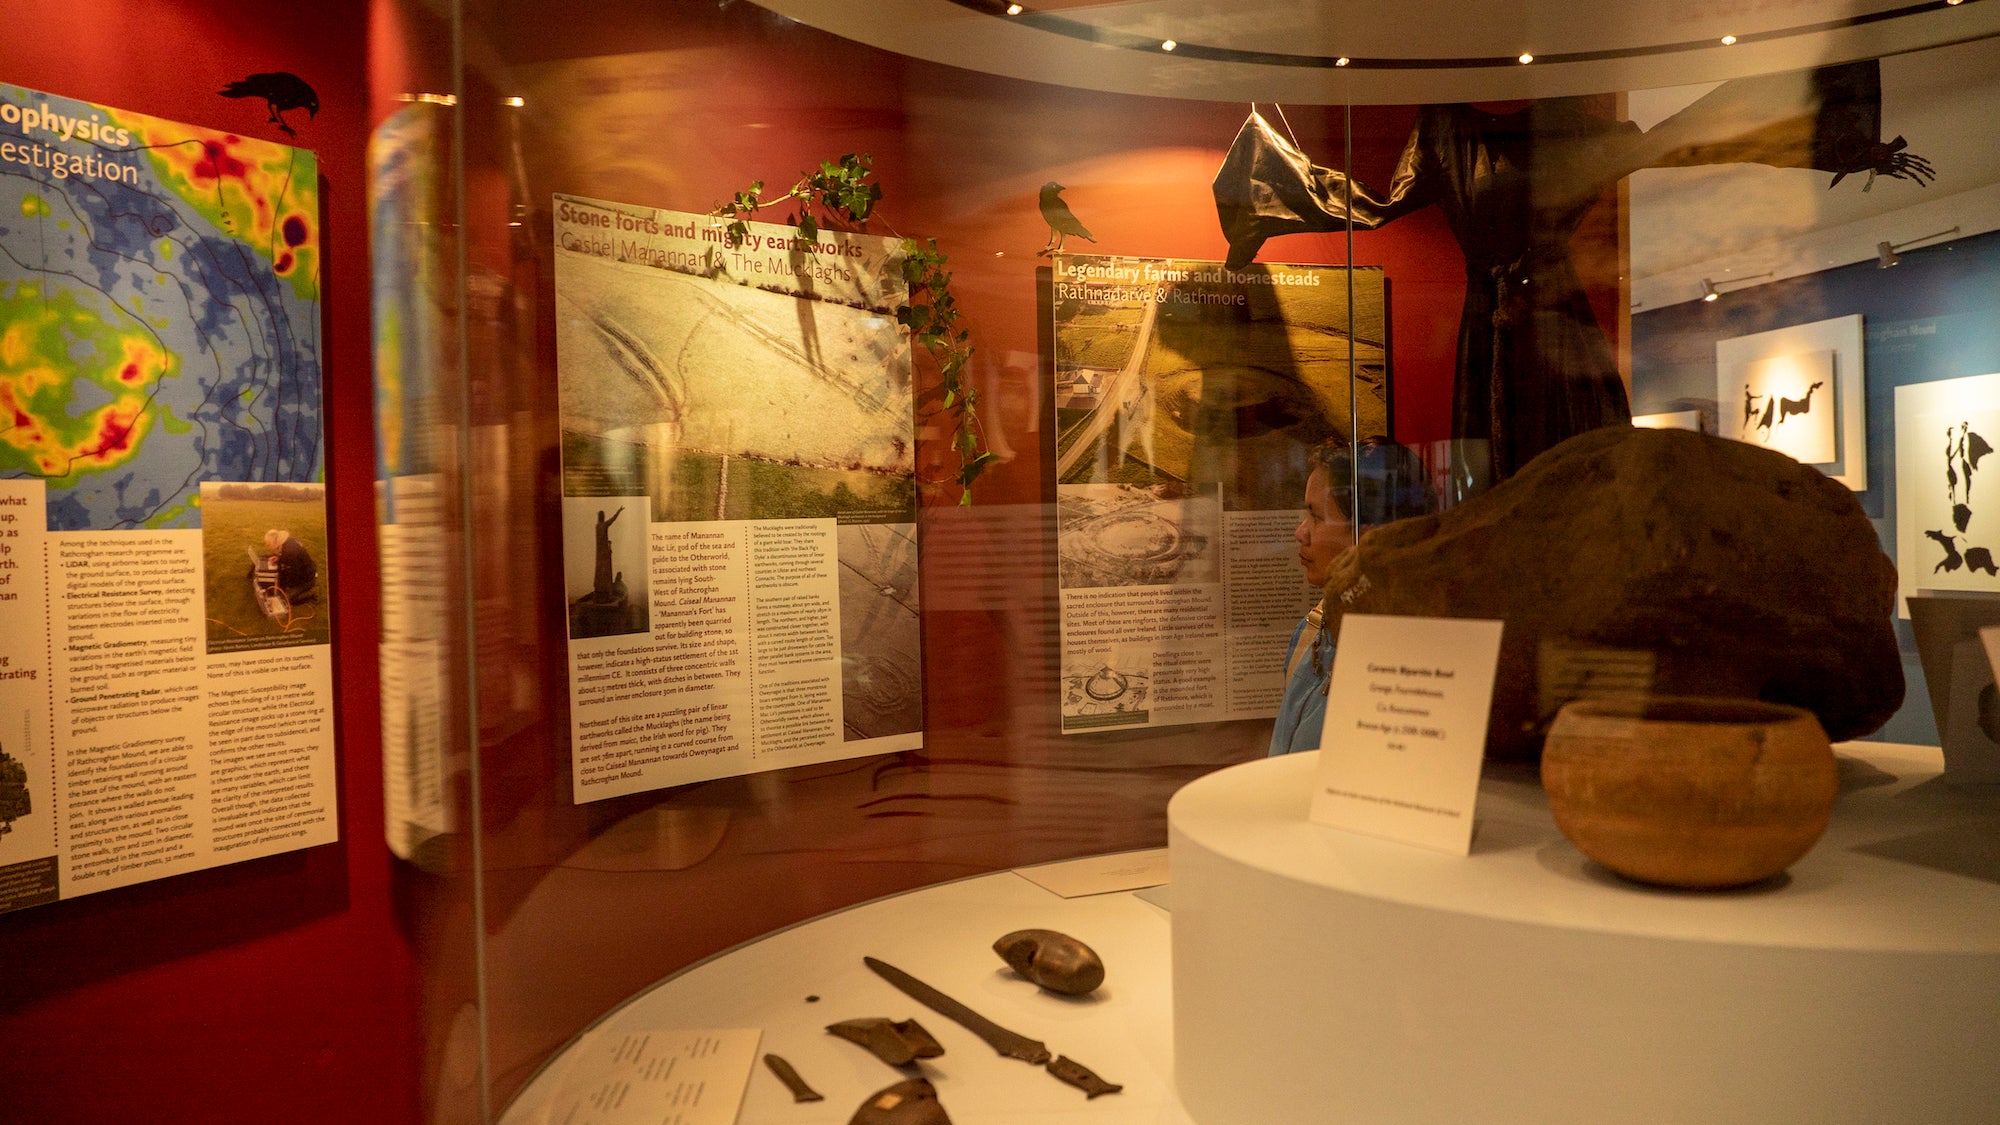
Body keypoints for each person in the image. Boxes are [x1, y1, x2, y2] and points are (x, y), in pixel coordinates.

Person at [1271, 438, 1434, 755]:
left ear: (1371, 536)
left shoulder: (1415, 663)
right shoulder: (1311, 631)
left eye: (1316, 517)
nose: (1300, 532)